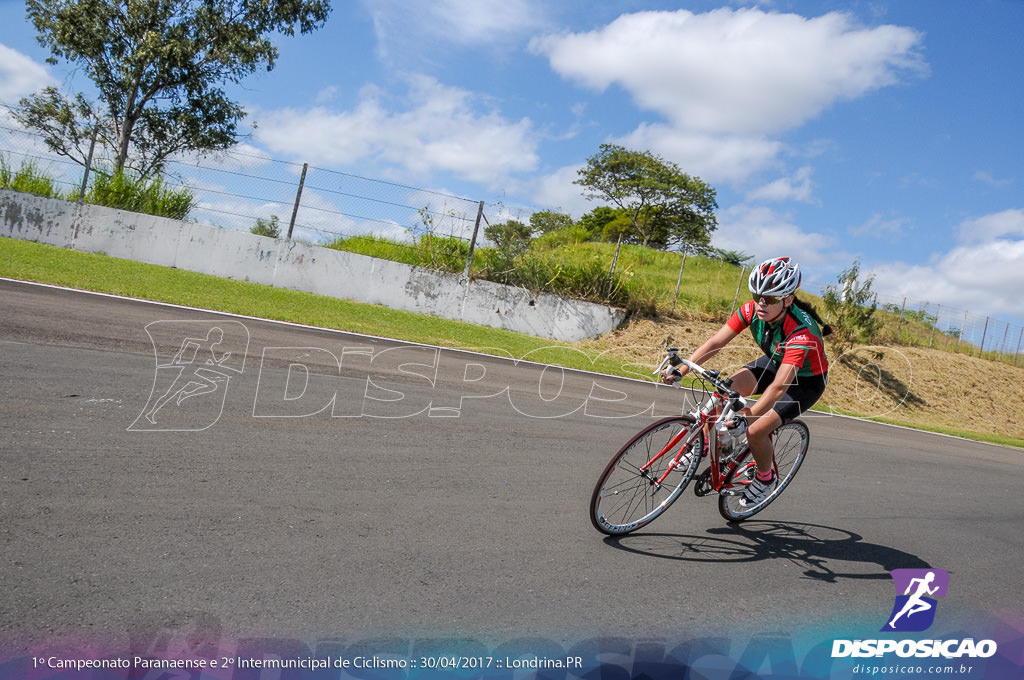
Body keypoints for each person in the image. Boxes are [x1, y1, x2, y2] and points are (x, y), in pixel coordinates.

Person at [664, 256, 830, 507]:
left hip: (804, 382)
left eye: (771, 298)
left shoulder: (801, 332)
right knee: (723, 393)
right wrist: (682, 369)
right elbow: (716, 343)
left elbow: (779, 387)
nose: (762, 303)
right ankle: (706, 445)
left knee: (755, 429)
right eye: (757, 295)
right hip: (775, 362)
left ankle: (765, 478)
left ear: (787, 299)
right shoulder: (751, 310)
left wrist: (749, 415)